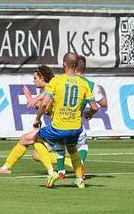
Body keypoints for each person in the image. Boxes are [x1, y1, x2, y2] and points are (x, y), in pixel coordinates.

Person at [33, 52, 98, 189]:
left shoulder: (56, 81)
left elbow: (44, 105)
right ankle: (79, 180)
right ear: (76, 65)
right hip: (76, 128)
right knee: (72, 149)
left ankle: (52, 172)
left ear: (64, 64)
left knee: (37, 139)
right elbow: (94, 107)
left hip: (59, 126)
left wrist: (37, 119)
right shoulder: (84, 84)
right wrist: (90, 113)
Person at [0, 65, 66, 174]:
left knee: (25, 139)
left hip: (58, 127)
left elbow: (46, 109)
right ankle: (72, 164)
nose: (33, 80)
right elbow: (48, 111)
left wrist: (32, 99)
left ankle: (5, 168)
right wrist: (31, 99)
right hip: (60, 125)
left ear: (42, 78)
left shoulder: (50, 88)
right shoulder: (49, 89)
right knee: (36, 155)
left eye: (35, 78)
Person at [55, 55, 108, 180]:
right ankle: (80, 164)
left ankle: (61, 171)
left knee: (58, 144)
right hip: (76, 123)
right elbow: (103, 104)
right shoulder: (89, 85)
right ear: (84, 68)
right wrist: (90, 112)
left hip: (59, 120)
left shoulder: (61, 80)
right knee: (82, 145)